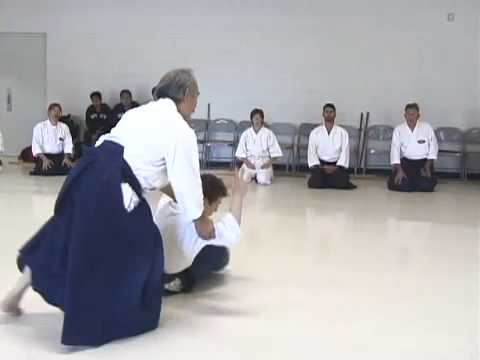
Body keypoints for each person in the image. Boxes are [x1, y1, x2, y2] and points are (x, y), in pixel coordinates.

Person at [1, 68, 213, 347]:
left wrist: (178, 198)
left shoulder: (142, 113)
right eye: (196, 96)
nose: (196, 103)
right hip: (116, 183)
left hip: (91, 169)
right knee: (144, 245)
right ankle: (105, 318)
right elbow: (186, 181)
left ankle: (22, 284)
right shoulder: (180, 129)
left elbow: (148, 166)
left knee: (67, 228)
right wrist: (200, 219)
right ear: (186, 94)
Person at [157, 171, 248, 294]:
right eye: (217, 203)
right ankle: (180, 281)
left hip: (154, 267)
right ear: (204, 201)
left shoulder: (168, 204)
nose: (216, 209)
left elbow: (164, 182)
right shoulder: (202, 230)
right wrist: (238, 194)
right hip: (171, 274)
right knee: (220, 253)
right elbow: (232, 231)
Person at [388, 103, 438, 192]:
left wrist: (427, 166)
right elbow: (394, 150)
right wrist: (399, 170)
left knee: (428, 186)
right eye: (408, 114)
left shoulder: (427, 127)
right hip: (406, 163)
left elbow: (433, 147)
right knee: (395, 183)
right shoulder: (398, 129)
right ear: (404, 115)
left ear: (418, 115)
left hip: (423, 163)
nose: (410, 117)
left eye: (413, 114)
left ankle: (413, 183)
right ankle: (412, 183)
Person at [307, 103, 356, 190]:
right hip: (321, 165)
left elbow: (345, 151)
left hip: (337, 165)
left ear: (335, 114)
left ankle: (327, 181)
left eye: (331, 112)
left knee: (342, 182)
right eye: (326, 112)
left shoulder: (342, 132)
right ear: (323, 114)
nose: (329, 114)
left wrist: (337, 167)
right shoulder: (315, 132)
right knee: (314, 183)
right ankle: (328, 180)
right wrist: (321, 167)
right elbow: (312, 152)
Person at [235, 109, 283, 185]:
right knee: (243, 178)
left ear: (262, 120)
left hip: (263, 162)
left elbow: (275, 153)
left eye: (258, 118)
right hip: (250, 161)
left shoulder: (269, 133)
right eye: (254, 118)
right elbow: (240, 152)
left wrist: (268, 163)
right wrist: (247, 163)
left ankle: (261, 176)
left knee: (263, 181)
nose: (256, 121)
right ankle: (253, 176)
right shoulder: (246, 134)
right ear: (251, 120)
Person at [30, 103, 74, 176]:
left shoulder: (64, 127)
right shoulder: (39, 127)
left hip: (59, 156)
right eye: (54, 111)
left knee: (69, 168)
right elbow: (35, 145)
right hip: (44, 156)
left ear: (60, 114)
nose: (56, 114)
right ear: (49, 113)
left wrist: (67, 157)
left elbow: (68, 144)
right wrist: (44, 159)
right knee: (47, 169)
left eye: (58, 111)